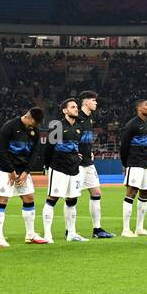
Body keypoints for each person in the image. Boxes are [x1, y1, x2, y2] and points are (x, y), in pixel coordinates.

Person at [0, 107, 47, 247]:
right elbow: (1, 149)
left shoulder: (34, 131)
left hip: (23, 171)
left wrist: (27, 171)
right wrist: (10, 170)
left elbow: (35, 152)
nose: (34, 127)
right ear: (27, 116)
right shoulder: (9, 126)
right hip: (6, 170)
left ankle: (30, 234)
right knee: (2, 200)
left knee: (29, 198)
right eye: (33, 123)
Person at [42, 98, 86, 242]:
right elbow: (49, 148)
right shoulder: (57, 126)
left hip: (74, 169)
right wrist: (49, 166)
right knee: (52, 199)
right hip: (59, 168)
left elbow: (76, 146)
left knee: (72, 200)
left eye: (76, 107)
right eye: (72, 107)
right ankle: (47, 234)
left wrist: (79, 157)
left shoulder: (79, 126)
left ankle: (71, 233)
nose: (76, 109)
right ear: (65, 110)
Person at [76, 91, 113, 238]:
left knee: (96, 192)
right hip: (76, 163)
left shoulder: (90, 118)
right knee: (72, 197)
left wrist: (89, 151)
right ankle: (69, 230)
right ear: (86, 102)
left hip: (88, 161)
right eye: (93, 100)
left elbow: (85, 139)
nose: (96, 103)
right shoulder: (76, 117)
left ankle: (97, 229)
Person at [119, 99, 147, 238]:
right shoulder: (131, 125)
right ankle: (125, 229)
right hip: (134, 163)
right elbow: (123, 147)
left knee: (145, 193)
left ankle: (140, 228)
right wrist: (126, 164)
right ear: (139, 109)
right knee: (131, 192)